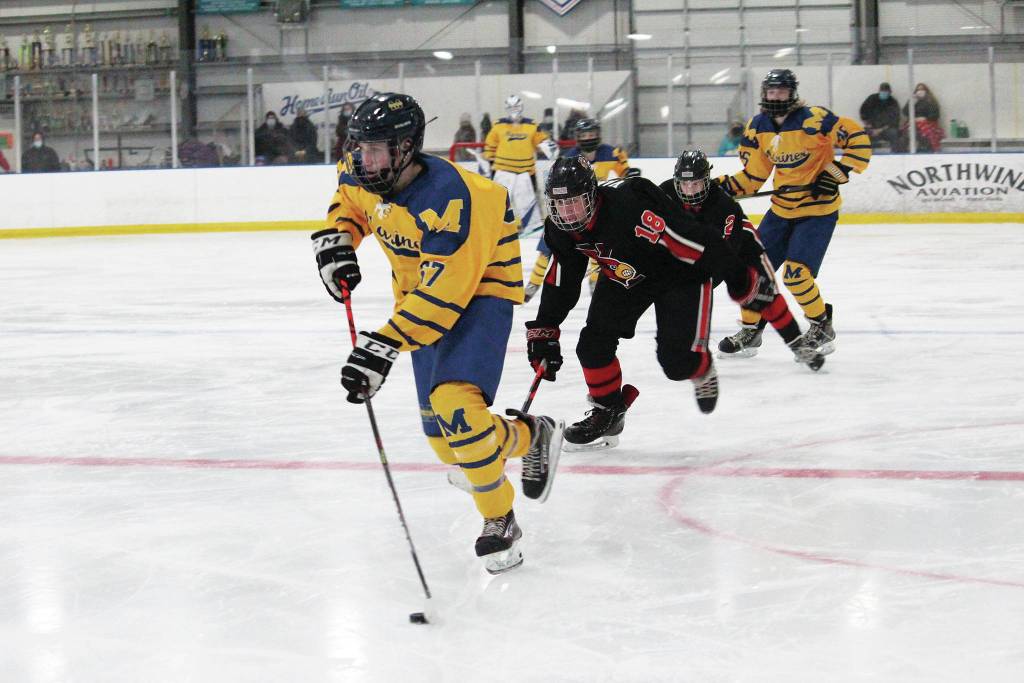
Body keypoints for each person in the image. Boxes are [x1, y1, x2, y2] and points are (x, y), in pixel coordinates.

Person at [311, 93, 563, 575]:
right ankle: (531, 436)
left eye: (375, 149)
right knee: (445, 444)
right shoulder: (363, 169)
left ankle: (500, 520)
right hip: (418, 298)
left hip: (481, 292)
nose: (363, 159)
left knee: (458, 411)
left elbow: (446, 298)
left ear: (406, 148)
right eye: (359, 147)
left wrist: (381, 346)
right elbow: (349, 201)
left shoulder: (451, 200)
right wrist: (339, 241)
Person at [526, 155, 778, 450]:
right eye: (559, 204)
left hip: (675, 272)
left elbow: (690, 240)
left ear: (592, 195)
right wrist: (545, 330)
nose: (566, 213)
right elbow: (562, 279)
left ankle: (701, 367)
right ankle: (608, 412)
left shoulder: (628, 208)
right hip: (625, 274)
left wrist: (737, 275)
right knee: (593, 346)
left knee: (676, 364)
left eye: (574, 201)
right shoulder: (559, 229)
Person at [716, 69, 871, 358]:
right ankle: (751, 331)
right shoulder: (757, 127)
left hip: (818, 212)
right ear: (764, 94)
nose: (776, 96)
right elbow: (753, 177)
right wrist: (720, 188)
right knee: (752, 271)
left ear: (793, 93)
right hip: (781, 211)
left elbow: (859, 140)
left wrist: (836, 173)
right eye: (771, 92)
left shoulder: (816, 119)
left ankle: (821, 326)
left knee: (796, 275)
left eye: (782, 91)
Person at [659, 150, 824, 371]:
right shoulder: (665, 192)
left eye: (696, 184)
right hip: (701, 247)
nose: (690, 190)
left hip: (740, 247)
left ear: (707, 180)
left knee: (762, 294)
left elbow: (719, 260)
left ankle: (798, 343)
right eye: (685, 185)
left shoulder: (723, 207)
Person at [523, 117, 631, 302]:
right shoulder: (567, 158)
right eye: (585, 134)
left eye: (592, 134)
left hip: (595, 212)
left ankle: (596, 283)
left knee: (599, 248)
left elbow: (627, 175)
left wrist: (631, 176)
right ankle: (533, 284)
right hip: (569, 211)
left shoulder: (612, 153)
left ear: (598, 135)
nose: (588, 138)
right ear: (578, 137)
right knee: (548, 246)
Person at [483, 94, 553, 236]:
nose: (514, 110)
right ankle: (495, 229)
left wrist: (548, 146)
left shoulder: (532, 125)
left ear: (521, 107)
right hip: (503, 170)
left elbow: (541, 140)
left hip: (524, 171)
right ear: (506, 108)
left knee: (526, 200)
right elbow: (490, 145)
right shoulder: (498, 125)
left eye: (516, 106)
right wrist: (488, 162)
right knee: (498, 200)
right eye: (510, 107)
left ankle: (532, 227)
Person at [901, 82, 943, 153]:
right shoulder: (913, 100)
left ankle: (925, 149)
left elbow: (935, 115)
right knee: (908, 131)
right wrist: (911, 102)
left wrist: (924, 119)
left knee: (924, 132)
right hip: (913, 123)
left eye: (922, 89)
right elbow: (905, 112)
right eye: (918, 90)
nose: (920, 91)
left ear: (926, 91)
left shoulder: (931, 101)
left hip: (928, 123)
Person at [859, 82, 900, 152]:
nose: (883, 93)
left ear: (889, 92)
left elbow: (895, 119)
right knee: (862, 134)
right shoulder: (872, 99)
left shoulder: (893, 102)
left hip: (886, 129)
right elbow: (863, 111)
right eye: (882, 91)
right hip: (871, 127)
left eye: (886, 91)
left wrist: (880, 130)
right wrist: (869, 125)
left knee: (894, 133)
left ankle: (894, 154)